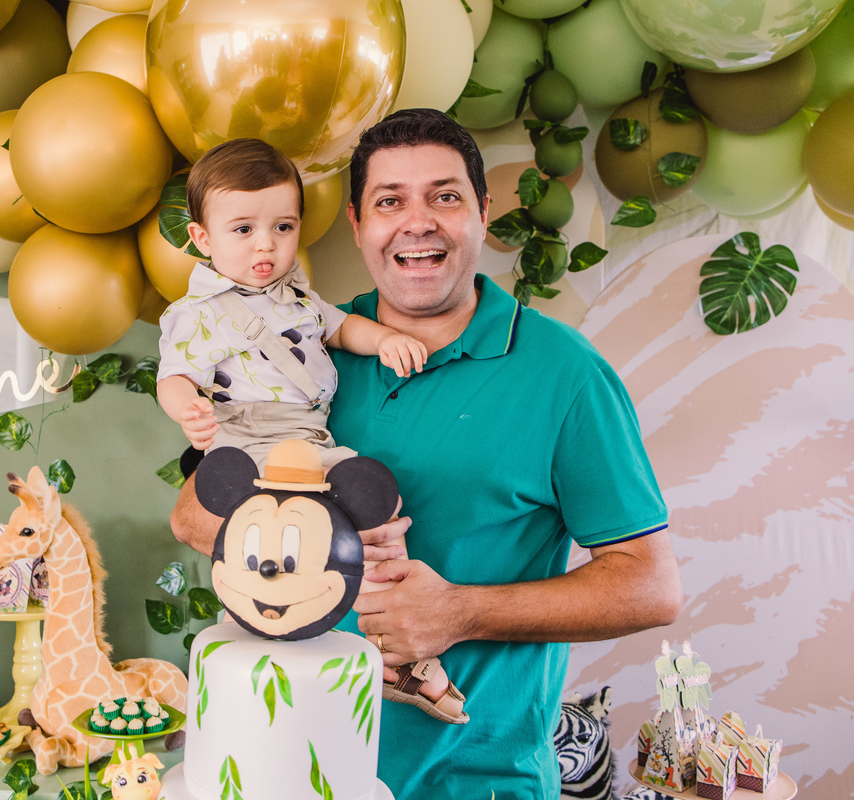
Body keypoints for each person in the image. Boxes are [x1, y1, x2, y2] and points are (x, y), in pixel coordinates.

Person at [169, 109, 683, 799]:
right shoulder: (301, 346)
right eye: (390, 202)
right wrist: (326, 574)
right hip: (289, 770)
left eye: (444, 196)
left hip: (475, 781)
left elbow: (650, 587)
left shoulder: (564, 374)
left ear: (482, 213)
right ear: (357, 224)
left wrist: (460, 611)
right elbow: (193, 515)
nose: (418, 222)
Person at [157, 138, 464, 718]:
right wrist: (186, 408)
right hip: (248, 439)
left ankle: (396, 646)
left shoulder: (299, 300)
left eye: (283, 227)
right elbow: (173, 376)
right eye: (243, 229)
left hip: (309, 438)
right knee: (277, 538)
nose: (266, 244)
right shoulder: (196, 315)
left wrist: (386, 339)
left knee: (379, 509)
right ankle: (271, 643)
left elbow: (343, 329)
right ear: (202, 238)